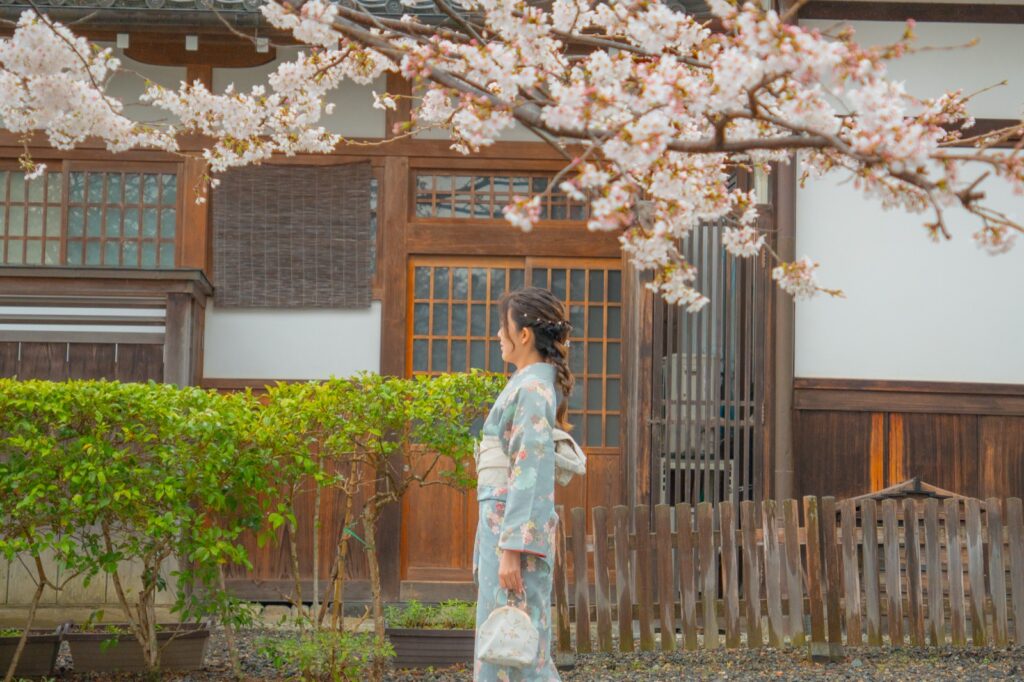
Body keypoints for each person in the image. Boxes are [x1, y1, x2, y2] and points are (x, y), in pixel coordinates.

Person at [473, 286, 574, 682]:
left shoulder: (532, 389)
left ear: (524, 335)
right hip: (501, 523)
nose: (499, 334)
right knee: (506, 639)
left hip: (513, 531)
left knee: (515, 643)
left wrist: (513, 548)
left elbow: (528, 471)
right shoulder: (529, 385)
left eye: (504, 327)